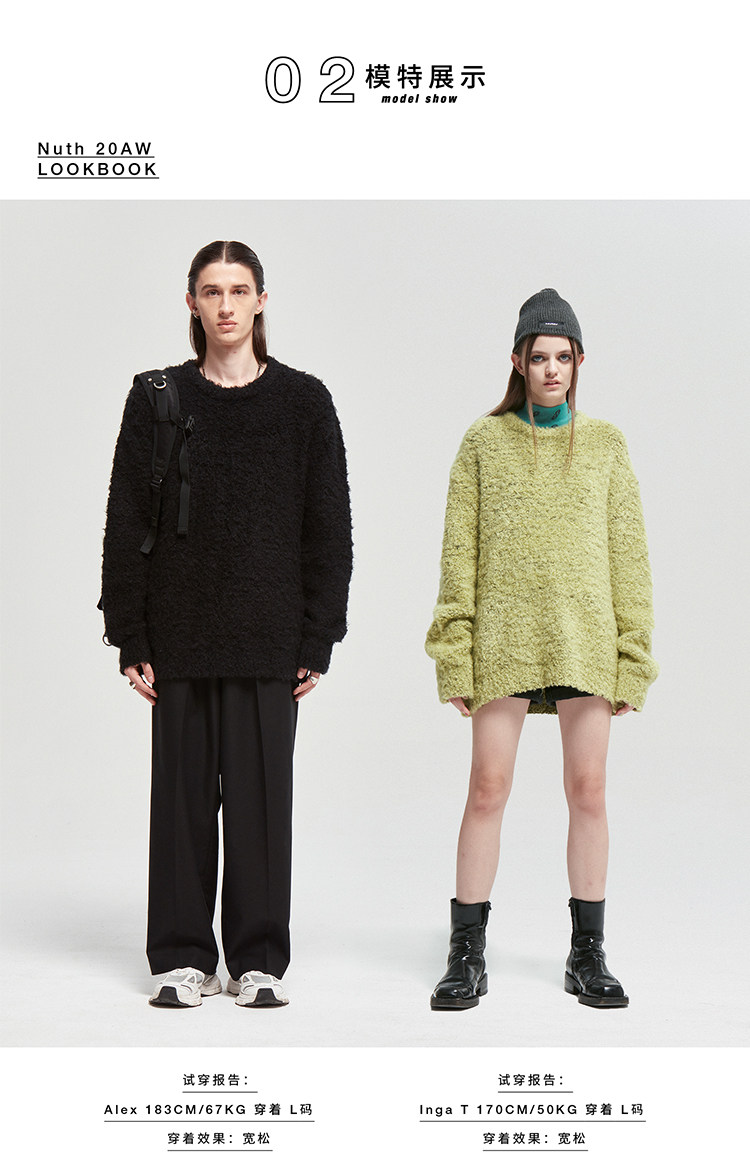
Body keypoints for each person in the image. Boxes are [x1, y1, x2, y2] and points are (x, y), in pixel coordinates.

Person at [100, 240, 352, 1009]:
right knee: (180, 804)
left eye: (239, 290)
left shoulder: (304, 403)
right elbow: (125, 519)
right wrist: (130, 632)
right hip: (179, 633)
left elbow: (328, 527)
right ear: (192, 303)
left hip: (269, 637)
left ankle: (257, 959)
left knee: (260, 807)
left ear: (262, 301)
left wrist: (319, 635)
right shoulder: (157, 396)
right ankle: (181, 956)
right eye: (212, 291)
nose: (226, 305)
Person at [425, 288, 657, 1011]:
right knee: (487, 788)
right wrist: (454, 651)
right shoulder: (483, 443)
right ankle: (466, 952)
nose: (552, 369)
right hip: (505, 639)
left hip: (586, 638)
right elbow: (459, 555)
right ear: (518, 362)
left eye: (563, 357)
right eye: (539, 357)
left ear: (579, 361)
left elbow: (629, 557)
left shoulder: (606, 444)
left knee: (588, 790)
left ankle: (588, 953)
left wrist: (633, 656)